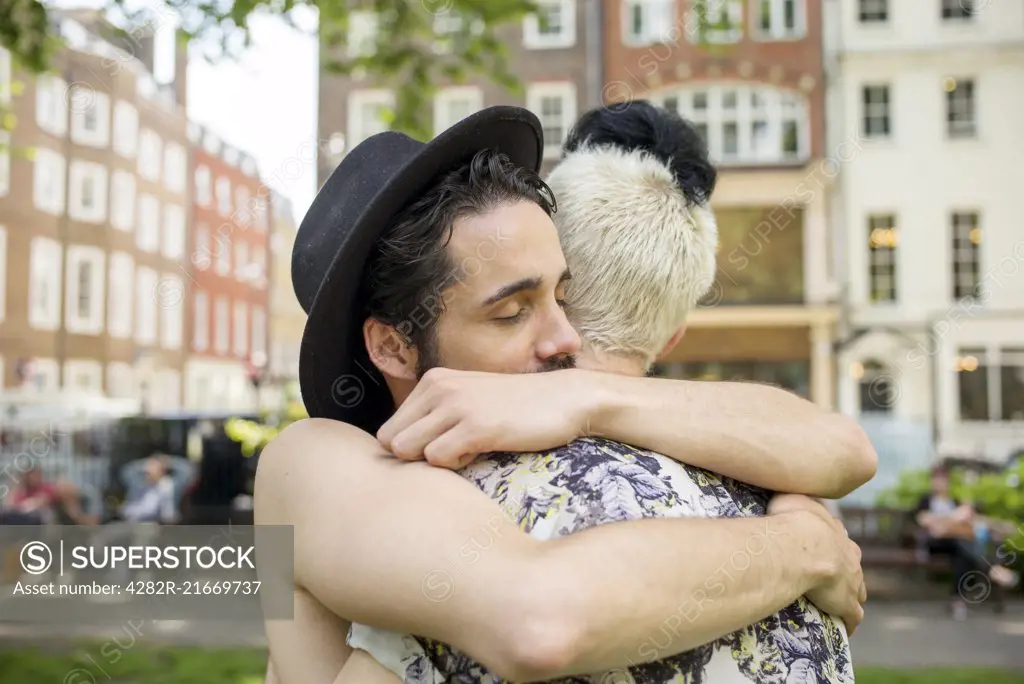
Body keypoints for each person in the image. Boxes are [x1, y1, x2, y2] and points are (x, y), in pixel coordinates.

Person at [257, 106, 874, 683]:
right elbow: (540, 621)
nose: (566, 336)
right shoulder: (316, 462)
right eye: (511, 312)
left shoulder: (573, 432)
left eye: (564, 295)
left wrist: (589, 397)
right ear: (392, 347)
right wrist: (806, 546)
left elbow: (847, 449)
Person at [915, 465, 1017, 621]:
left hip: (956, 544)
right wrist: (954, 518)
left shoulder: (954, 502)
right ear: (932, 482)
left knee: (962, 553)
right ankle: (993, 571)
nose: (940, 483)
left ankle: (957, 601)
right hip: (934, 544)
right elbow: (924, 520)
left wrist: (1000, 525)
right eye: (937, 480)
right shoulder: (926, 500)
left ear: (948, 482)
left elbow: (974, 520)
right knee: (962, 544)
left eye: (943, 480)